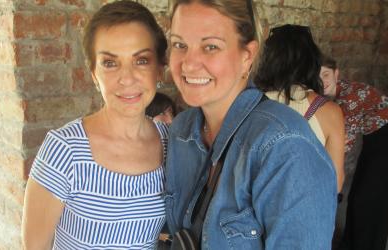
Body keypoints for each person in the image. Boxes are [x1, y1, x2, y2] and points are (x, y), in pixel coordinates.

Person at [164, 0, 337, 249]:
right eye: (180, 45)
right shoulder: (182, 129)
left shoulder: (285, 146)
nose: (189, 64)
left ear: (248, 56)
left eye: (210, 46)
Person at [21, 1, 169, 249]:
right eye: (110, 63)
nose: (127, 78)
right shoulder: (65, 150)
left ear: (159, 69)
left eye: (141, 60)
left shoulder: (171, 142)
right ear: (93, 74)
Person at [255, 24, 345, 192]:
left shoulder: (248, 101)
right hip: (302, 209)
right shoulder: (329, 111)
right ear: (312, 63)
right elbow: (335, 182)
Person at [320, 55, 388, 250]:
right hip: (374, 138)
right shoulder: (332, 98)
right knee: (359, 194)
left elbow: (343, 145)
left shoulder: (348, 99)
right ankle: (352, 242)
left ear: (336, 74)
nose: (322, 81)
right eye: (317, 76)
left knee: (370, 197)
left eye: (326, 74)